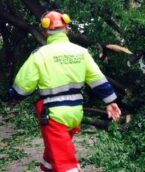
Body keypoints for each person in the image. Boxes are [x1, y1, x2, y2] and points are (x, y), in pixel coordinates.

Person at [8, 10, 121, 172]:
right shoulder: (81, 53)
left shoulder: (40, 55)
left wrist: (13, 96)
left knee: (67, 163)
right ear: (67, 28)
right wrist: (110, 102)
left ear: (45, 31)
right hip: (75, 113)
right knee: (53, 152)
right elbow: (97, 79)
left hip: (54, 115)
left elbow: (23, 86)